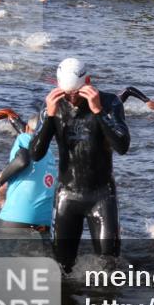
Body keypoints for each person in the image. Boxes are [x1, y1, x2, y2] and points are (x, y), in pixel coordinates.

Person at [31, 58, 130, 272]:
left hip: (102, 195)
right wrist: (49, 116)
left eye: (76, 92)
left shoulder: (110, 102)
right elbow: (35, 154)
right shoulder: (52, 106)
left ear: (88, 81)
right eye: (67, 93)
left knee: (110, 266)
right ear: (58, 86)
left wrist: (98, 111)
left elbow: (122, 146)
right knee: (61, 267)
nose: (72, 98)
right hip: (67, 195)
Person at [0, 113, 58, 237]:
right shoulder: (50, 153)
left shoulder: (24, 138)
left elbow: (22, 161)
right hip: (44, 224)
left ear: (28, 129)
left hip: (15, 221)